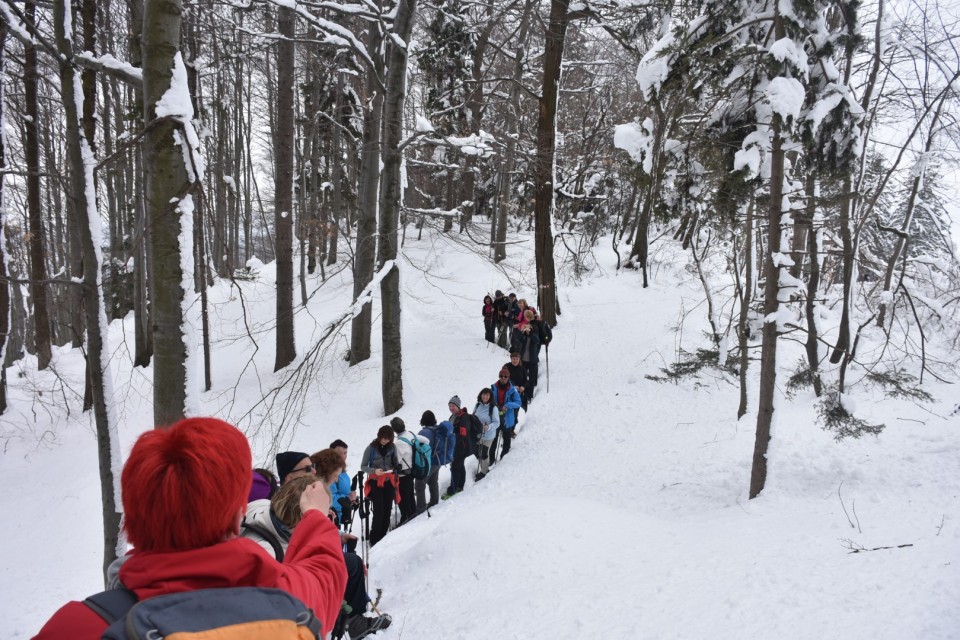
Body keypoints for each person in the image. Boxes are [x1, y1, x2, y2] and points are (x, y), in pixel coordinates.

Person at [33, 417, 347, 639]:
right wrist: (316, 516)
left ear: (134, 517)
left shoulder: (75, 627)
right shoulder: (284, 599)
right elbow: (326, 575)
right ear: (237, 512)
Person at [243, 475, 391, 640]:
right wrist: (333, 598)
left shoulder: (263, 506)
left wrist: (334, 534)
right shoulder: (268, 557)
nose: (328, 515)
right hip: (289, 605)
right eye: (322, 512)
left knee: (353, 563)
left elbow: (298, 532)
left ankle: (355, 621)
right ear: (303, 516)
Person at [359, 426, 399, 547]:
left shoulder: (392, 447)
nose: (385, 441)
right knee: (378, 511)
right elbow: (363, 466)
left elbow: (395, 462)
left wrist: (397, 467)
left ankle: (383, 537)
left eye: (387, 439)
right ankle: (374, 538)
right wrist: (374, 470)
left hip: (389, 482)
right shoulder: (371, 449)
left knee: (387, 510)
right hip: (376, 483)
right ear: (379, 435)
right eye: (383, 438)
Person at [391, 417, 428, 525]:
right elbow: (426, 441)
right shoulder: (411, 434)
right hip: (413, 470)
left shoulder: (399, 443)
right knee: (410, 494)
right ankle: (413, 514)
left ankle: (406, 518)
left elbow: (396, 460)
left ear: (394, 429)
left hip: (403, 473)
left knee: (404, 496)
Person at [444, 395, 478, 498]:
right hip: (457, 446)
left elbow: (463, 434)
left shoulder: (464, 417)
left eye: (453, 405)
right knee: (460, 465)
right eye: (449, 406)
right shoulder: (453, 416)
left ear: (458, 406)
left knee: (454, 467)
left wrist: (452, 439)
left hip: (460, 447)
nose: (451, 408)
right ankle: (460, 486)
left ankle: (452, 490)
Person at [415, 410, 446, 512]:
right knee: (433, 482)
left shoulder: (423, 432)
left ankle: (421, 508)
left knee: (420, 484)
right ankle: (434, 502)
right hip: (438, 461)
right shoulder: (438, 429)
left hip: (428, 463)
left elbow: (418, 448)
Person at [491, 368, 523, 459]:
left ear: (508, 377)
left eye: (505, 376)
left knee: (506, 439)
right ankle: (491, 460)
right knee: (494, 440)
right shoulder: (493, 388)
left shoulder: (512, 390)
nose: (503, 378)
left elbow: (518, 403)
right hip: (496, 417)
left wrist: (508, 405)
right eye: (501, 376)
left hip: (507, 417)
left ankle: (504, 458)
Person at [327, 439, 359, 527]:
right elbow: (329, 498)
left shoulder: (343, 471)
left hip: (342, 517)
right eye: (340, 453)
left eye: (345, 453)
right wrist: (348, 498)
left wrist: (353, 499)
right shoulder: (328, 473)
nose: (344, 456)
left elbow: (345, 491)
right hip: (332, 518)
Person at [473, 387, 500, 480]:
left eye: (487, 395)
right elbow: (473, 416)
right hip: (478, 434)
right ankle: (484, 467)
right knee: (477, 452)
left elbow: (497, 422)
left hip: (488, 435)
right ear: (481, 395)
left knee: (484, 453)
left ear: (490, 397)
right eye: (484, 394)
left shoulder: (493, 408)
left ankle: (484, 472)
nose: (485, 396)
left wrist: (488, 427)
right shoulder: (477, 405)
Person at [515, 309, 541, 403]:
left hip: (532, 359)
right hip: (523, 359)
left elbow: (537, 341)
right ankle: (524, 396)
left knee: (531, 379)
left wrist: (530, 333)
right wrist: (522, 332)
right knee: (523, 378)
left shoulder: (534, 329)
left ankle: (529, 396)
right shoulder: (525, 331)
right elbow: (519, 340)